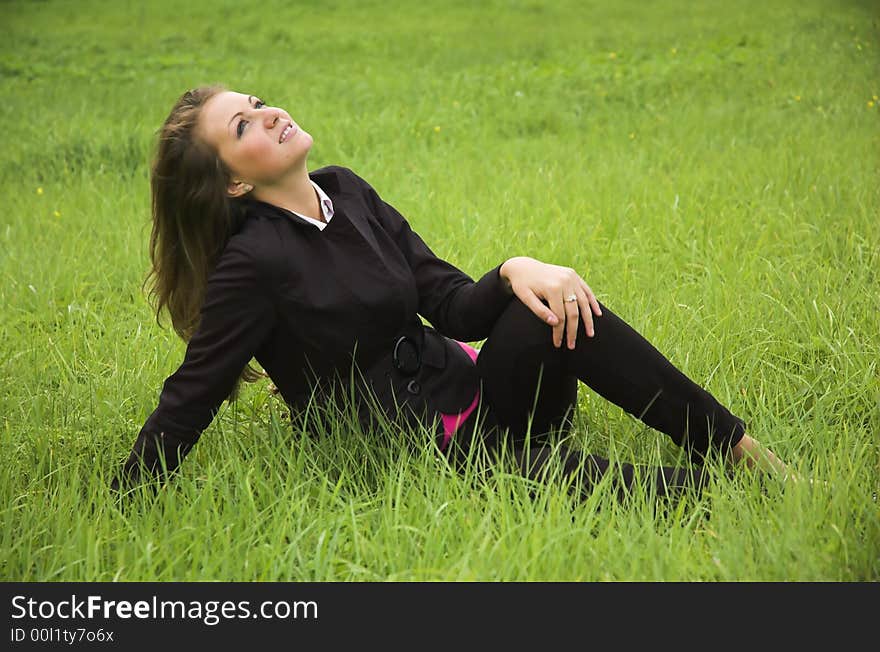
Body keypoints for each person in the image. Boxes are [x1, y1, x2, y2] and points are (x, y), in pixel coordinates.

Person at [112, 85, 791, 499]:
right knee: (666, 495)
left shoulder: (344, 190)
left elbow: (447, 302)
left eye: (256, 104)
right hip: (425, 455)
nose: (268, 114)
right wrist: (125, 499)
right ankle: (727, 488)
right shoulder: (251, 263)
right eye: (242, 126)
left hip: (478, 395)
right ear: (232, 184)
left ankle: (743, 450)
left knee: (560, 308)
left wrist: (514, 270)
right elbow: (190, 396)